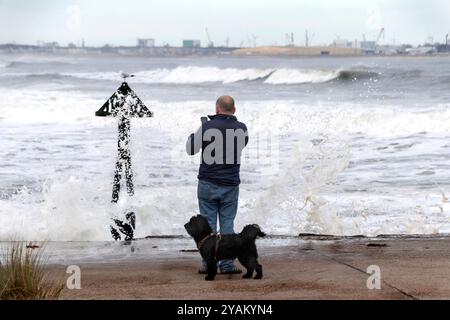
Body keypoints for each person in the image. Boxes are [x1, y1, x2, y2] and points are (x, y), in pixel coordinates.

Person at [186, 95, 249, 274]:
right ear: (234, 110)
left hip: (207, 183)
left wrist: (196, 133)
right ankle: (227, 265)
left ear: (217, 109)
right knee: (228, 224)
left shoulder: (206, 126)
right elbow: (240, 145)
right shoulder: (242, 128)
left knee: (208, 226)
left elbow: (190, 149)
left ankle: (209, 264)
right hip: (230, 183)